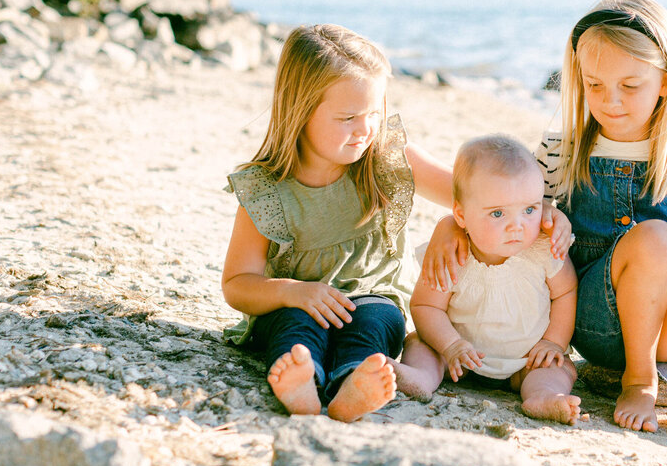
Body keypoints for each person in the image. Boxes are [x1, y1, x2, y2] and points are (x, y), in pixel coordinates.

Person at [539, 0, 667, 445]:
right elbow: (513, 231)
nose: (611, 101)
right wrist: (548, 219)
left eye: (630, 86)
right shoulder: (561, 152)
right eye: (594, 85)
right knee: (653, 237)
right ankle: (639, 381)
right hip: (597, 323)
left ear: (665, 83)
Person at [221, 23, 454, 422]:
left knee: (375, 321)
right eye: (348, 117)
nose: (365, 129)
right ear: (301, 111)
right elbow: (237, 285)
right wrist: (293, 291)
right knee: (295, 327)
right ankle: (302, 381)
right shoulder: (267, 191)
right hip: (293, 305)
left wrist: (540, 211)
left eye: (374, 114)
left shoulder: (386, 158)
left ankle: (353, 384)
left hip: (373, 297)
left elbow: (467, 195)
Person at [397, 135, 582, 425]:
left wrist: (553, 343)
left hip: (526, 359)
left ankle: (543, 396)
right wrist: (451, 345)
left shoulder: (544, 251)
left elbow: (566, 292)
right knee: (421, 344)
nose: (517, 226)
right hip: (459, 357)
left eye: (530, 210)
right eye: (498, 213)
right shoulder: (453, 253)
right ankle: (419, 377)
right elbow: (425, 307)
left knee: (557, 368)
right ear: (461, 214)